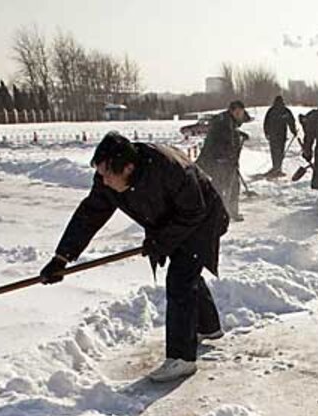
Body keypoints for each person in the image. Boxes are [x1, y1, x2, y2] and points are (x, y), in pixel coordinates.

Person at [41, 132, 230, 383]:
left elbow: (193, 211)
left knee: (181, 277)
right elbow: (90, 214)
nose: (103, 181)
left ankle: (182, 359)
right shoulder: (109, 178)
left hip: (203, 218)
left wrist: (161, 240)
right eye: (100, 174)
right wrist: (61, 258)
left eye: (108, 174)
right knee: (186, 272)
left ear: (128, 167)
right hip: (171, 222)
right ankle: (208, 327)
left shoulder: (169, 168)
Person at [196, 100, 251, 222]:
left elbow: (232, 132)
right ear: (232, 111)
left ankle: (230, 212)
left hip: (224, 160)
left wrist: (240, 134)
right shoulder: (224, 122)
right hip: (217, 160)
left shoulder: (229, 120)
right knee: (221, 187)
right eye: (238, 113)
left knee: (232, 185)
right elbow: (220, 140)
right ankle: (220, 214)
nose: (240, 115)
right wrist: (227, 156)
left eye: (241, 113)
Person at [263, 95, 297, 177]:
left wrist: (267, 133)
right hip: (278, 135)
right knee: (279, 152)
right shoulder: (284, 111)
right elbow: (291, 122)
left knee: (276, 152)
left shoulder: (273, 110)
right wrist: (293, 131)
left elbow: (266, 123)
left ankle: (277, 168)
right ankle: (277, 168)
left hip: (275, 135)